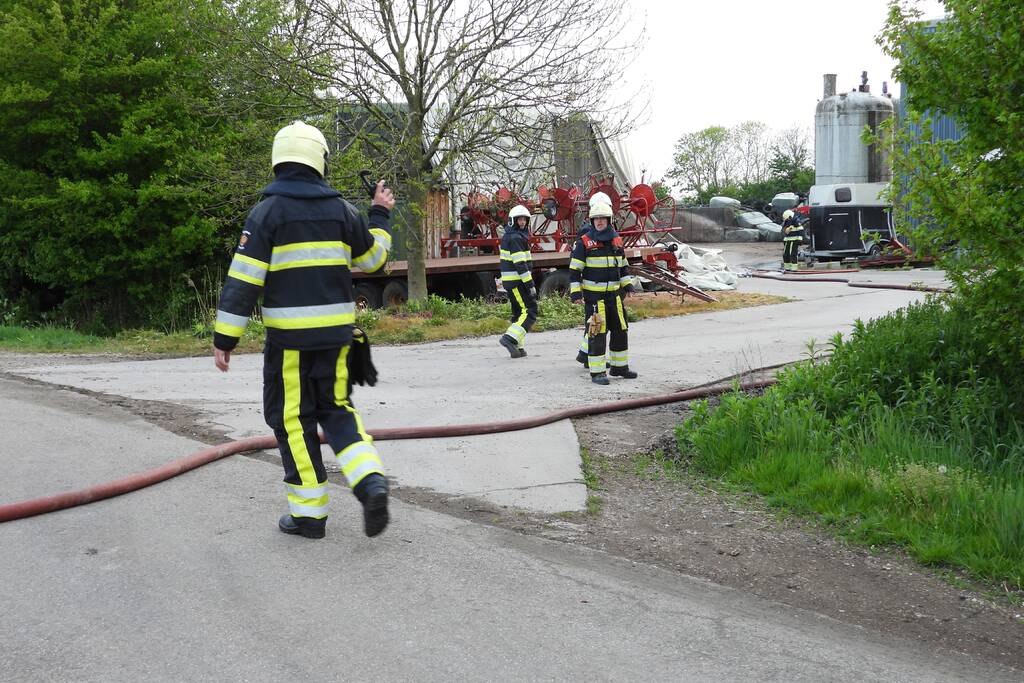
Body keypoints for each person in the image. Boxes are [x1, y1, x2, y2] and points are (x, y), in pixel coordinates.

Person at [212, 120, 395, 540]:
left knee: (293, 420)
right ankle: (371, 482)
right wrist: (380, 214)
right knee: (337, 412)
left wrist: (225, 339)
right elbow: (374, 262)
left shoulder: (266, 213)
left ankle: (309, 516)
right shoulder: (343, 211)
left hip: (290, 345)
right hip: (336, 339)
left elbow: (244, 280)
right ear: (320, 161)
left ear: (279, 161)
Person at [569, 200, 637, 385]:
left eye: (603, 219)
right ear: (592, 221)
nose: (599, 222)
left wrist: (628, 286)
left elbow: (623, 267)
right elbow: (575, 271)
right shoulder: (584, 242)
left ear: (609, 220)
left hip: (614, 297)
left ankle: (619, 367)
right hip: (594, 299)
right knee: (597, 334)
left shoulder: (616, 241)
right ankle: (597, 372)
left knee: (620, 330)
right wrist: (576, 294)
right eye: (596, 219)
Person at [498, 204, 536, 358]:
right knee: (530, 311)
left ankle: (518, 347)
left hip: (513, 281)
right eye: (519, 220)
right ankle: (509, 339)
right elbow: (520, 264)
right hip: (517, 281)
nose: (522, 222)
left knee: (519, 313)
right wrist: (530, 285)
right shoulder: (515, 237)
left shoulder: (514, 235)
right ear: (513, 220)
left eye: (524, 220)